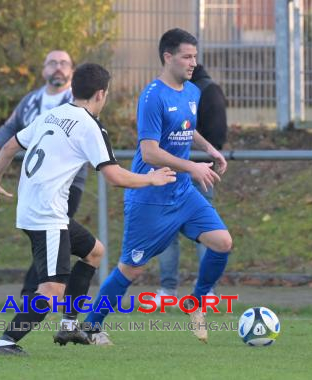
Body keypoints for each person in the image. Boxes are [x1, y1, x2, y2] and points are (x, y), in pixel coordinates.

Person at [0, 63, 176, 356]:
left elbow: (9, 146)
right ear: (101, 94)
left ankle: (69, 325)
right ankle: (6, 341)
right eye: (106, 95)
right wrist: (151, 177)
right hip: (46, 215)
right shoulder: (89, 125)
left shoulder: (52, 113)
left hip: (41, 210)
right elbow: (114, 177)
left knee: (94, 252)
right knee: (51, 291)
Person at [76, 28, 232, 345]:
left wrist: (210, 150)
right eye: (187, 56)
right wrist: (193, 166)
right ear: (168, 57)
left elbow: (187, 127)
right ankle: (90, 327)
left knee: (222, 242)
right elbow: (149, 152)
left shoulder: (192, 92)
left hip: (182, 192)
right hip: (150, 196)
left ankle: (196, 302)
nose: (193, 63)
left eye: (195, 57)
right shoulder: (152, 96)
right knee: (130, 270)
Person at [0, 50, 87, 297]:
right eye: (52, 63)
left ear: (72, 70)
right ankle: (51, 291)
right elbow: (11, 128)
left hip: (68, 182)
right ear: (43, 70)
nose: (58, 67)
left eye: (63, 63)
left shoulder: (78, 100)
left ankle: (34, 292)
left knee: (55, 233)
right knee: (50, 237)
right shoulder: (30, 100)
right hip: (35, 181)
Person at [153, 63, 228, 302]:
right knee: (202, 230)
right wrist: (210, 152)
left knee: (178, 230)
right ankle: (204, 291)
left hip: (188, 170)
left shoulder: (191, 93)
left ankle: (171, 290)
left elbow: (183, 130)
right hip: (194, 168)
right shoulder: (208, 91)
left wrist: (200, 157)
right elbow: (204, 132)